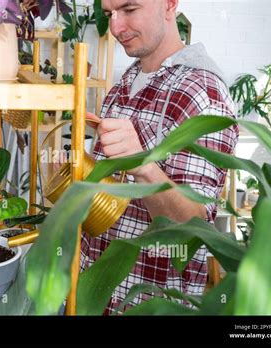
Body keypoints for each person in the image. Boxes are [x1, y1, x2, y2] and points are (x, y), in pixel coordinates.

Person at [80, 0, 239, 314]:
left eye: (129, 9)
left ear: (170, 4)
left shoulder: (201, 92)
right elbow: (113, 197)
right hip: (97, 294)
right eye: (109, 13)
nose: (115, 27)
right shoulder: (125, 83)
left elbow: (193, 225)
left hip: (148, 304)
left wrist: (143, 166)